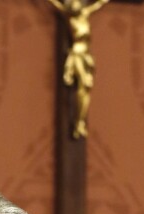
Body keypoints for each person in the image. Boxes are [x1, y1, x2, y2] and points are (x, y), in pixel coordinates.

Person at [46, 0, 111, 138]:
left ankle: (79, 122)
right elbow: (56, 4)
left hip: (87, 56)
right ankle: (78, 122)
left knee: (86, 86)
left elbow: (97, 4)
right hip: (76, 54)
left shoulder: (85, 13)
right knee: (83, 85)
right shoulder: (69, 17)